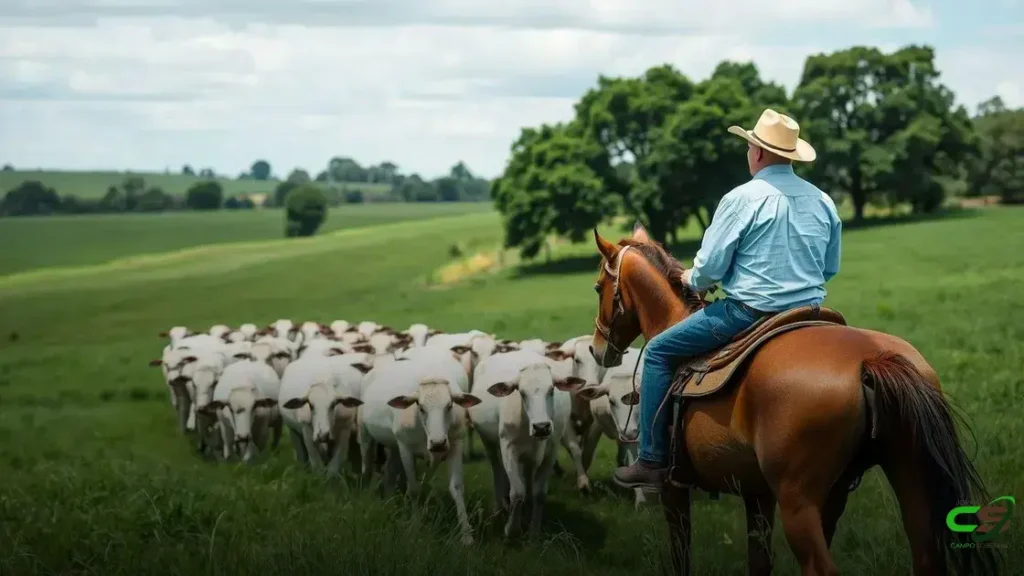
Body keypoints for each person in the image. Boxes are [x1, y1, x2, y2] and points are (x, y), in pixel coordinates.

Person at [612, 108, 843, 493]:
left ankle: (652, 460)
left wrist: (690, 278)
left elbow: (710, 269)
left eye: (750, 145)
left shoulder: (741, 198)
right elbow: (829, 268)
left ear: (756, 152)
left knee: (657, 352)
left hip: (747, 314)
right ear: (791, 155)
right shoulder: (823, 200)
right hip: (811, 313)